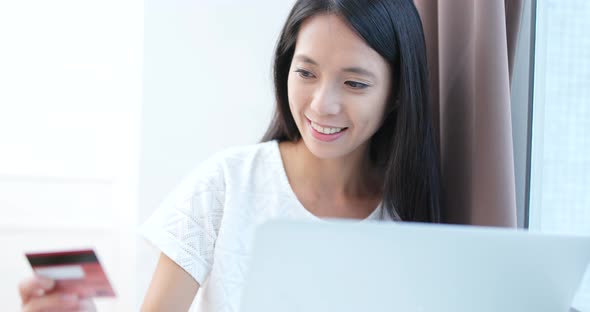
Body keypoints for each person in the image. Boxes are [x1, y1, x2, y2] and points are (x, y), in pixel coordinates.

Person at [18, 0, 441, 310]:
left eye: (354, 84)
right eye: (306, 73)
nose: (321, 105)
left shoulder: (411, 217)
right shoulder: (225, 185)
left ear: (397, 94)